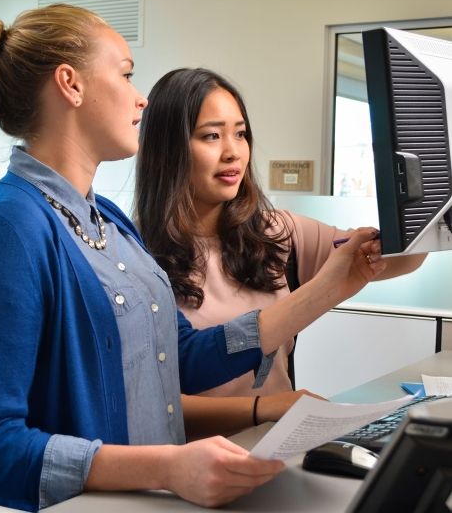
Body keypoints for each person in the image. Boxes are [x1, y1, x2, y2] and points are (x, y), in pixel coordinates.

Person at [0, 4, 333, 512]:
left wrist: (335, 285)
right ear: (70, 84)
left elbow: (184, 358)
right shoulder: (12, 226)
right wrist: (167, 466)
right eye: (126, 75)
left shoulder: (108, 220)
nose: (140, 98)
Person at [134, 67, 427, 398]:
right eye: (211, 136)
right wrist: (265, 410)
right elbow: (155, 405)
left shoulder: (277, 232)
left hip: (279, 443)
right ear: (166, 149)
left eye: (241, 134)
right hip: (202, 449)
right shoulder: (133, 256)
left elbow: (402, 259)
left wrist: (426, 190)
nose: (233, 151)